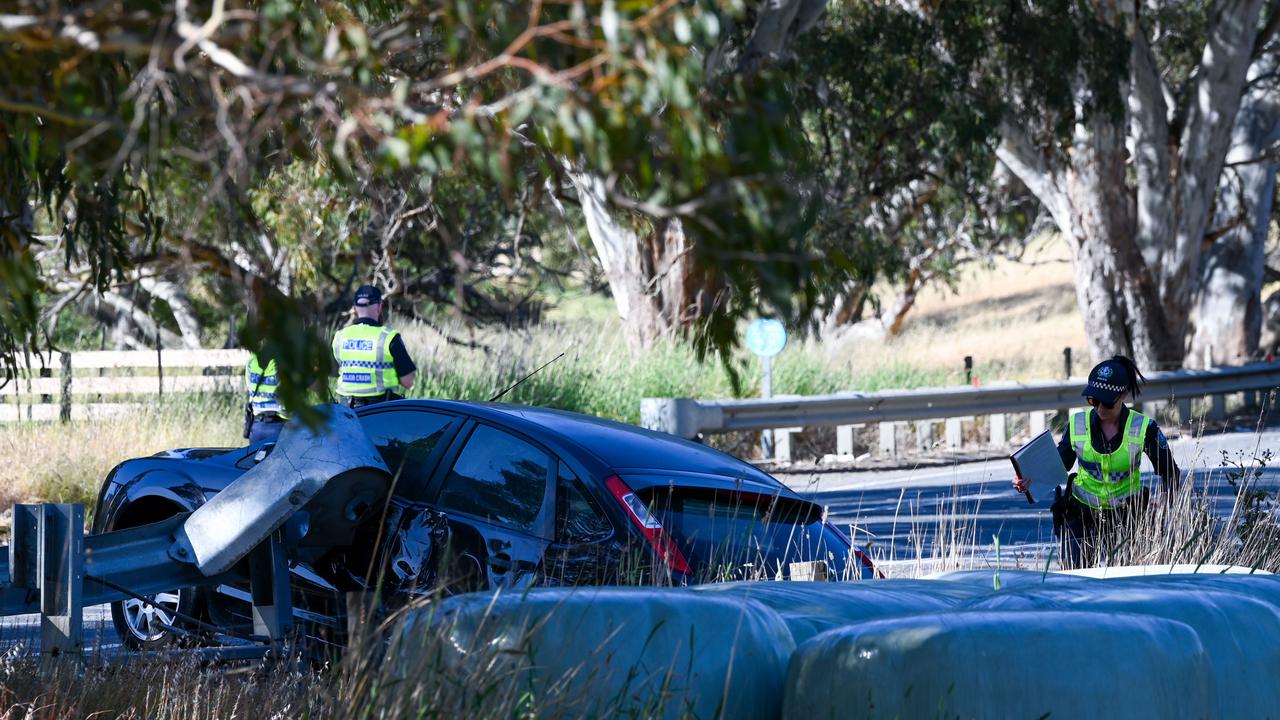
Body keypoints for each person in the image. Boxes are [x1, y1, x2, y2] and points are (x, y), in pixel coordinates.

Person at [1014, 355, 1182, 568]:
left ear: (1124, 394)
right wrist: (1029, 480)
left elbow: (1171, 473)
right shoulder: (1077, 424)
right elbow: (1058, 466)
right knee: (1075, 577)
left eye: (1107, 401)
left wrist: (1164, 501)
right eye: (1094, 400)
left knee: (1124, 581)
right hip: (1081, 514)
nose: (1100, 407)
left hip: (1126, 516)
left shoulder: (1143, 428)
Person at [332, 284, 416, 408]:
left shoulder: (340, 337)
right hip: (380, 412)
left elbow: (332, 370)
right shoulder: (388, 337)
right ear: (379, 307)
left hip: (347, 413)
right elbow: (408, 382)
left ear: (354, 308)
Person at [244, 351, 286, 444]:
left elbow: (249, 386)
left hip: (257, 428)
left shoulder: (251, 360)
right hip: (281, 427)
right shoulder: (285, 359)